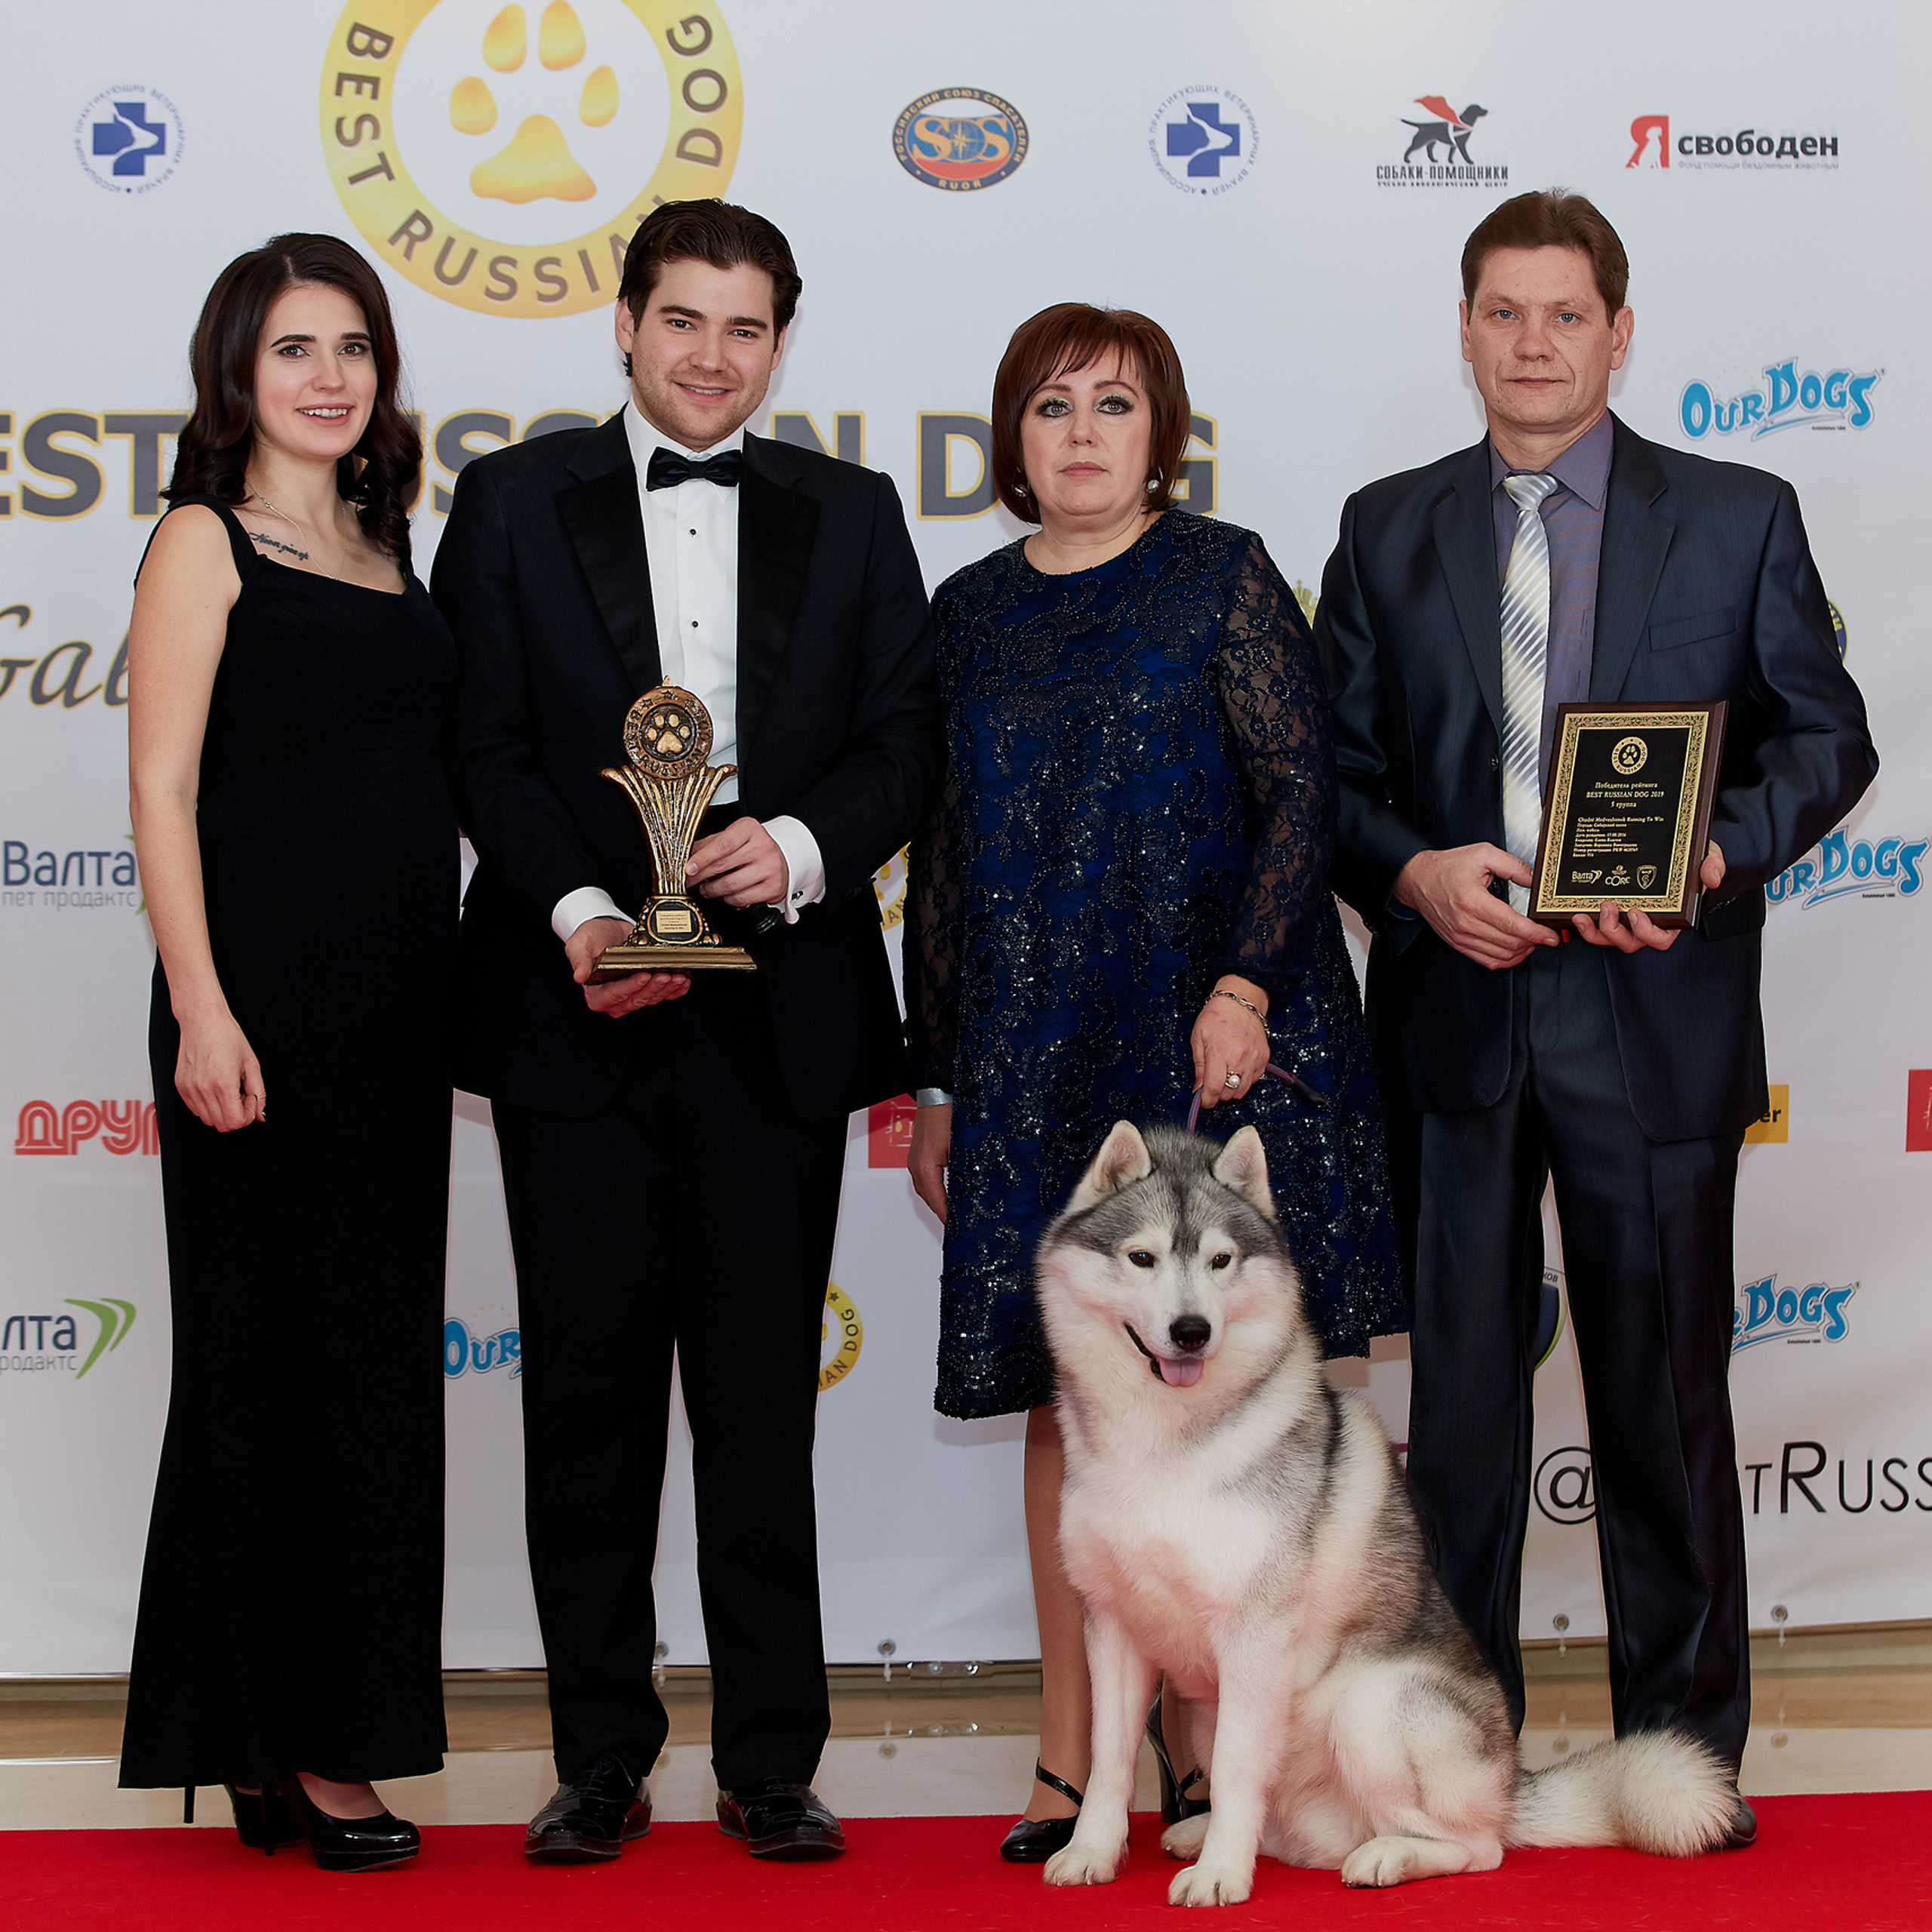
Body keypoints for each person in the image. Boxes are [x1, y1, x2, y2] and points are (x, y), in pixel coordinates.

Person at [1315, 190, 1877, 1834]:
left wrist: (1709, 852)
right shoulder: (1383, 526)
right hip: (1456, 1017)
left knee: (1661, 1404)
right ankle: (1449, 1753)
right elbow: (1334, 781)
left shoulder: (1737, 512)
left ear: (1618, 333)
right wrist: (1413, 873)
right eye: (1503, 311)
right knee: (1463, 1425)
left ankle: (1684, 1752)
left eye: (1565, 313)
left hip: (1653, 1008)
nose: (1534, 342)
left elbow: (1821, 739)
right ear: (1466, 326)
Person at [434, 199, 939, 1866]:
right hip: (574, 1009)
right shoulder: (510, 502)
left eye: (744, 328)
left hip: (773, 1012)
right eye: (681, 321)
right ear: (624, 327)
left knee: (754, 1407)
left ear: (778, 342)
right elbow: (482, 748)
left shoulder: (853, 512)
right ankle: (598, 1751)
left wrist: (793, 851)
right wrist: (583, 917)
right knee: (581, 1403)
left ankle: (771, 1756)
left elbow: (900, 740)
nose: (710, 355)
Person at [904, 303, 1406, 1863]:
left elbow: (1298, 792)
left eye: (1111, 406)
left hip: (1208, 1041)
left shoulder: (1223, 576)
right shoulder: (966, 610)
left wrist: (1246, 982)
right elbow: (938, 862)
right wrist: (932, 1082)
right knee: (1075, 1400)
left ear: (1157, 432)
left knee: (1221, 1411)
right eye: (1049, 406)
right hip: (1031, 1053)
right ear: (1011, 435)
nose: (1078, 433)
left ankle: (1209, 1757)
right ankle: (1071, 1756)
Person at [120, 235, 456, 1872]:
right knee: (268, 1374)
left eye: (352, 347)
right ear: (236, 376)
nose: (328, 376)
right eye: (293, 350)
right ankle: (285, 1742)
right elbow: (163, 789)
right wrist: (199, 1002)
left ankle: (299, 1727)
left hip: (395, 1024)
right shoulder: (201, 537)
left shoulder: (394, 547)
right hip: (251, 1014)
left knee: (368, 1383)